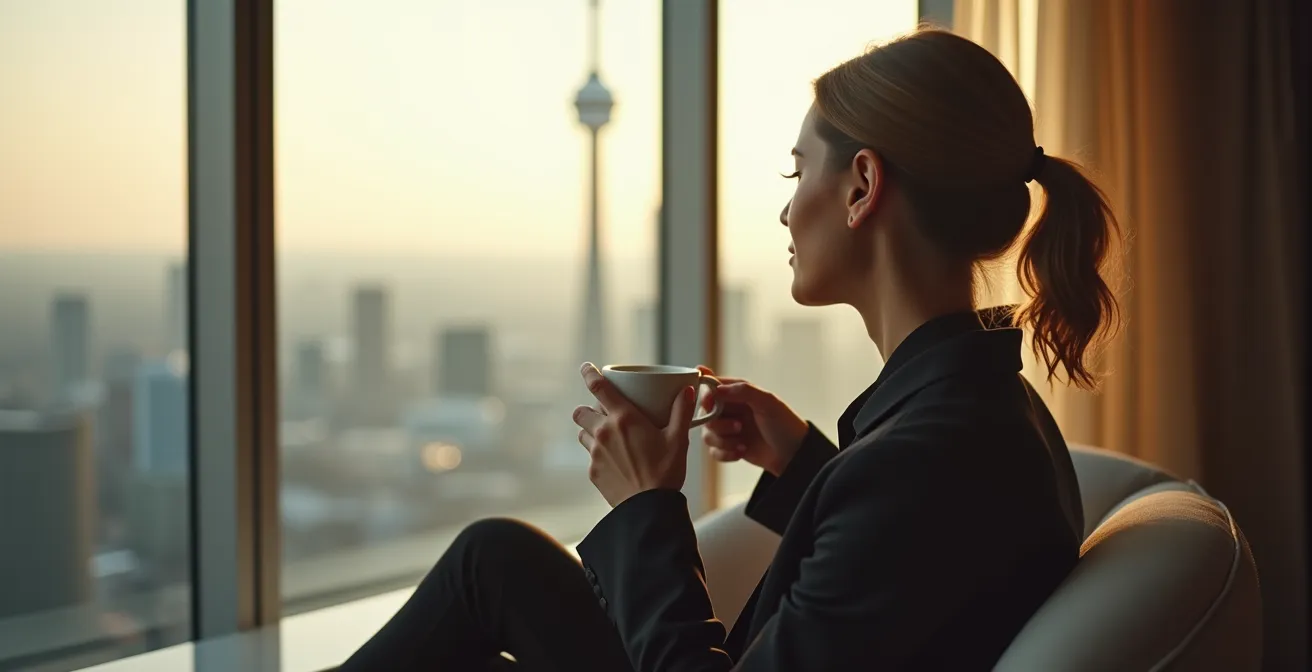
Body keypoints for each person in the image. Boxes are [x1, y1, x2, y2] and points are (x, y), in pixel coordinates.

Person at [340, 27, 1119, 671]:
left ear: (862, 187)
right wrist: (803, 462)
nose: (785, 209)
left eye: (798, 170)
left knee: (485, 571)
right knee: (496, 558)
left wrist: (648, 507)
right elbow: (911, 564)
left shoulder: (928, 459)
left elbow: (903, 517)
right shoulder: (984, 406)